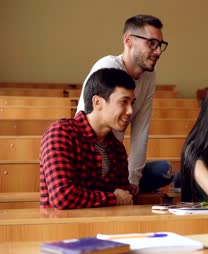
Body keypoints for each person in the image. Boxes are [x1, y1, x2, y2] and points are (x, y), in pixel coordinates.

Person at [75, 14, 172, 195]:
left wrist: (132, 180)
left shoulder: (150, 76)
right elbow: (87, 123)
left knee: (164, 170)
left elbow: (141, 130)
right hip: (93, 161)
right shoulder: (108, 68)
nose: (158, 51)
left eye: (160, 45)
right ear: (128, 41)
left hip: (117, 160)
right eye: (151, 43)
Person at [40, 68, 136, 209]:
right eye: (124, 102)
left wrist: (126, 193)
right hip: (62, 228)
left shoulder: (117, 149)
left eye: (132, 103)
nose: (130, 111)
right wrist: (114, 198)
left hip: (106, 227)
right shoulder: (61, 133)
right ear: (97, 102)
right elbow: (62, 197)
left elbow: (123, 196)